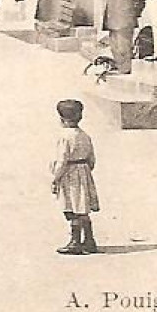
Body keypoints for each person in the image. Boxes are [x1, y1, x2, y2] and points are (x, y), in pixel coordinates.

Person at [49, 99, 99, 255]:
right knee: (83, 207)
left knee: (71, 207)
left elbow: (62, 159)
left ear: (61, 118)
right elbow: (92, 159)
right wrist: (85, 170)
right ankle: (89, 240)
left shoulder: (64, 137)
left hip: (69, 174)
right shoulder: (84, 135)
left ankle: (75, 241)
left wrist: (56, 178)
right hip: (83, 171)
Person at [101, 0, 146, 74]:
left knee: (123, 47)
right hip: (113, 21)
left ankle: (125, 69)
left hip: (124, 20)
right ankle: (121, 68)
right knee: (115, 47)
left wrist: (133, 14)